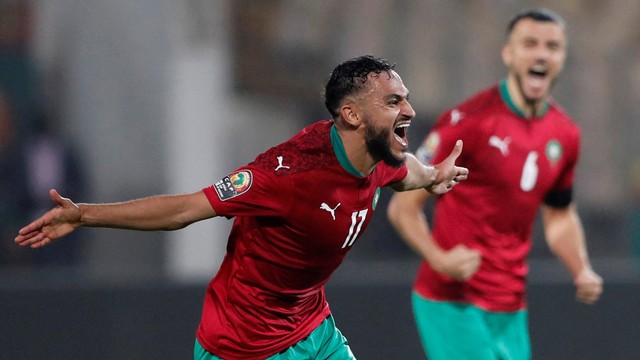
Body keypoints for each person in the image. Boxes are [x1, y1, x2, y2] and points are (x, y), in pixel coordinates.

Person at [15, 55, 468, 360]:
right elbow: (186, 209)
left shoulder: (377, 155)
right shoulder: (286, 174)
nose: (409, 108)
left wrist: (433, 176)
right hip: (242, 345)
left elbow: (405, 171)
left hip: (312, 327)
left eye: (405, 97)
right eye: (393, 101)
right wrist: (85, 214)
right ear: (352, 115)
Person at [386, 8, 603, 360]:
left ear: (562, 57)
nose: (541, 54)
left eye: (552, 46)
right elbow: (403, 208)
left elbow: (560, 216)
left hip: (511, 308)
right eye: (530, 44)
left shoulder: (565, 135)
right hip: (452, 302)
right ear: (509, 53)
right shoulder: (469, 122)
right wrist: (438, 259)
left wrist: (581, 268)